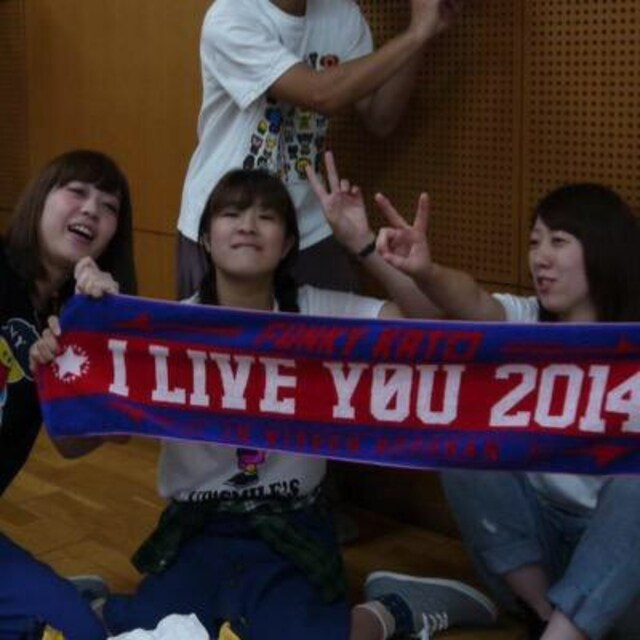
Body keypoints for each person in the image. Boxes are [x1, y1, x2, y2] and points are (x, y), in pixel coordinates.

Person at [91, 168, 498, 639]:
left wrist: (364, 245)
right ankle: (81, 601)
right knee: (147, 632)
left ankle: (397, 609)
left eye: (266, 217)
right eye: (231, 213)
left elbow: (432, 330)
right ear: (205, 239)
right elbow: (101, 421)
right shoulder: (168, 328)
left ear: (286, 245)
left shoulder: (318, 311)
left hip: (292, 524)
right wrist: (90, 316)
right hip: (198, 528)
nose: (248, 225)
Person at [372, 182, 640, 639]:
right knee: (461, 436)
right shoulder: (527, 321)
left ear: (602, 248)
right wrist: (427, 271)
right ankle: (545, 619)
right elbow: (471, 300)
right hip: (532, 562)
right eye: (535, 242)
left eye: (558, 241)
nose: (540, 258)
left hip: (625, 573)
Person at [176, 0, 463, 298]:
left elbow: (380, 118)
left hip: (309, 225)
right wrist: (415, 33)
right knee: (222, 329)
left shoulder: (343, 15)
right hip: (228, 221)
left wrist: (421, 35)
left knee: (331, 327)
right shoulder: (231, 16)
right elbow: (320, 94)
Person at [1, 149, 137, 639]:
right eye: (76, 191)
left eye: (109, 206)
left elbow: (74, 444)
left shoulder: (70, 319)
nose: (91, 209)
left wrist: (103, 333)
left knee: (79, 631)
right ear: (40, 198)